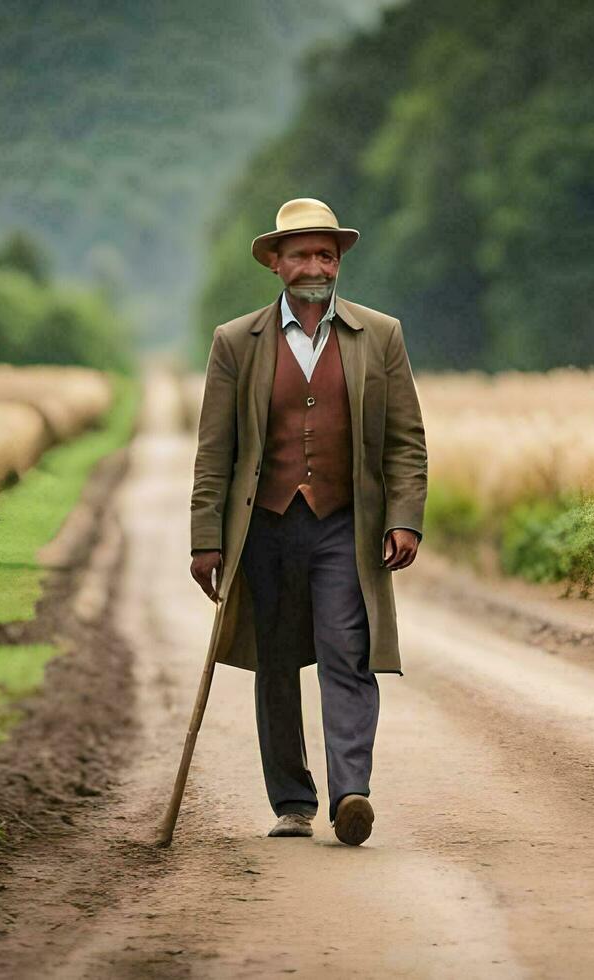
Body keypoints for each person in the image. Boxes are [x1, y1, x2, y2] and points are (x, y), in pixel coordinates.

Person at [187, 197, 427, 846]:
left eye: (326, 253)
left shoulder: (381, 335)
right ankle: (292, 801)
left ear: (338, 259)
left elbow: (406, 439)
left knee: (346, 653)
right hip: (263, 528)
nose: (315, 265)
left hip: (343, 527)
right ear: (276, 264)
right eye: (301, 254)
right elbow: (215, 450)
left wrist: (405, 518)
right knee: (274, 664)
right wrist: (206, 539)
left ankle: (352, 793)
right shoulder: (236, 343)